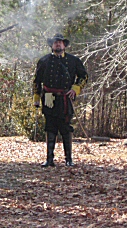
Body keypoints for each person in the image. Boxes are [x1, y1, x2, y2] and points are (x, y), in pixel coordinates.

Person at [33, 33, 88, 167]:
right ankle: (49, 159)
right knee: (50, 128)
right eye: (55, 42)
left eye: (60, 42)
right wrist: (36, 99)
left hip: (65, 99)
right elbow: (37, 81)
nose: (58, 44)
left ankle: (69, 159)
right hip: (48, 98)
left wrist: (75, 89)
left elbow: (84, 76)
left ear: (64, 45)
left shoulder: (73, 60)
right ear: (52, 45)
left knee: (66, 129)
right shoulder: (44, 61)